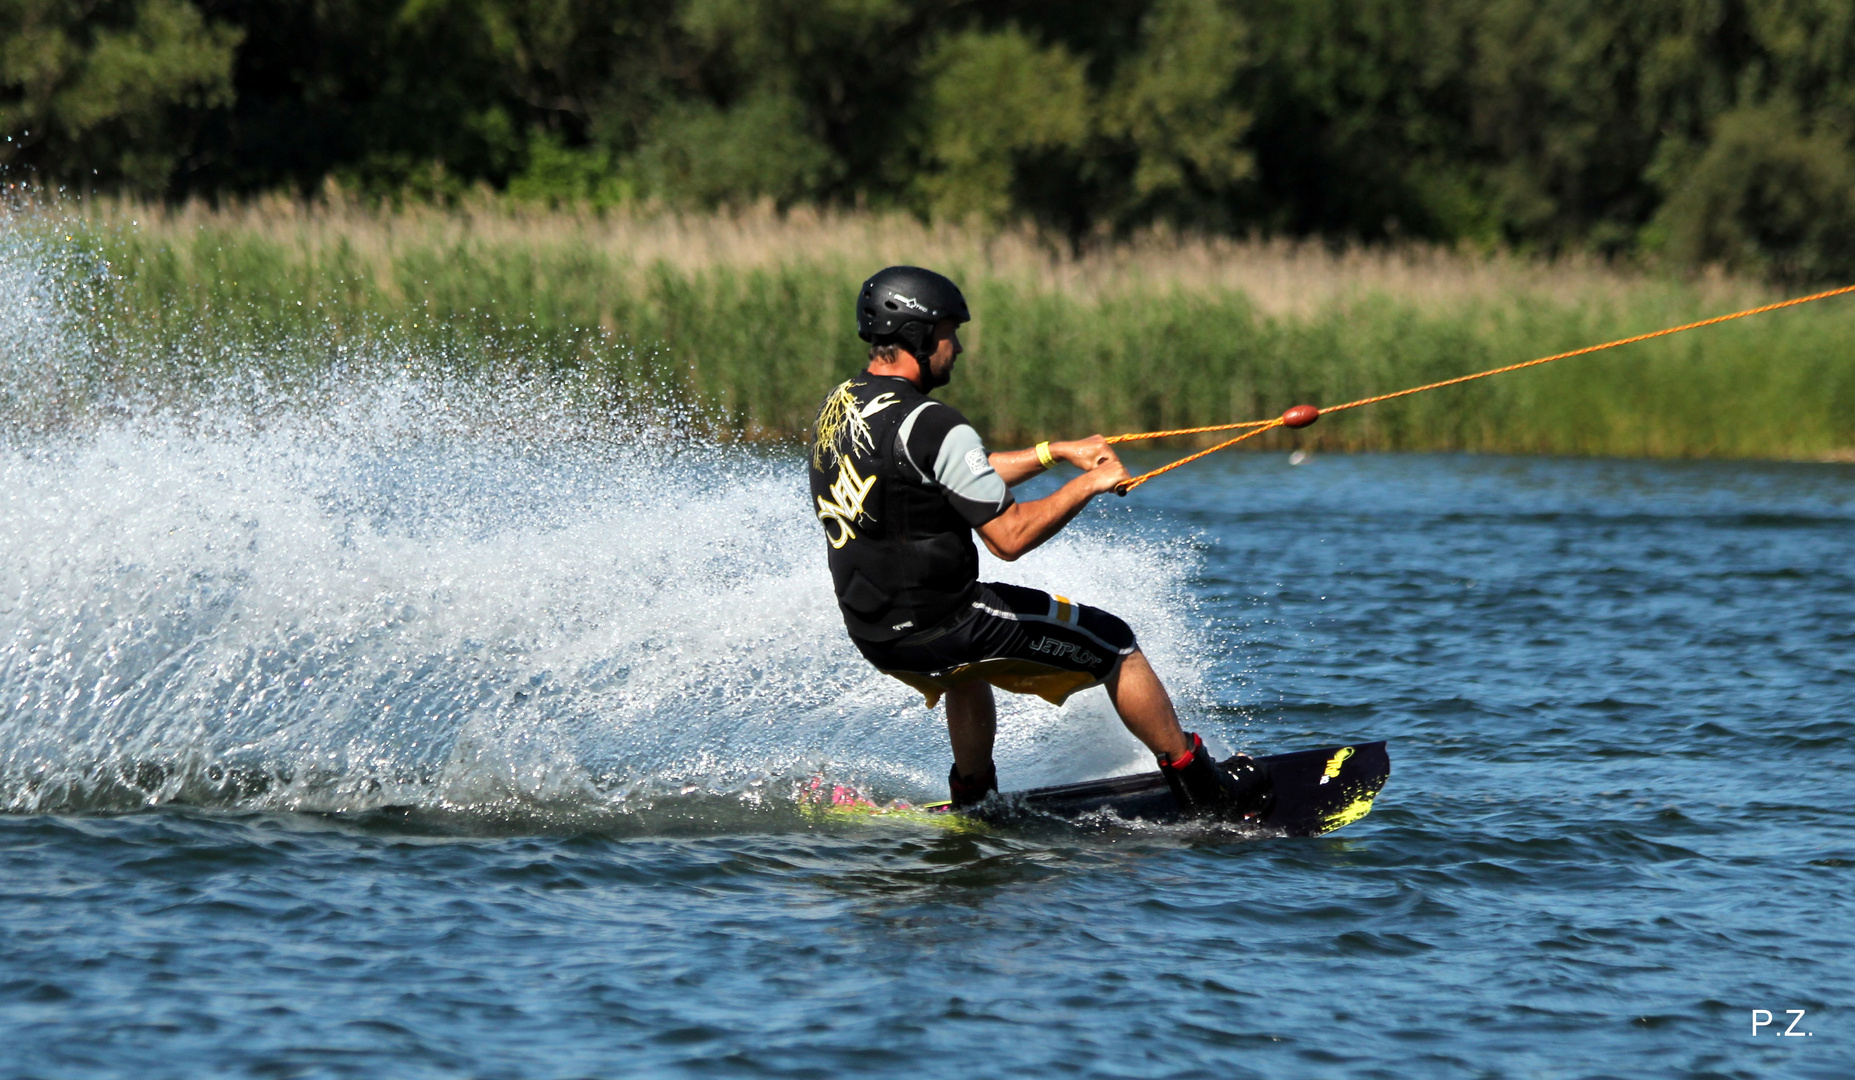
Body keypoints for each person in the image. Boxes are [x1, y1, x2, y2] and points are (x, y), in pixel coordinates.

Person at [808, 265, 1269, 818]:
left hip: (876, 632)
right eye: (951, 332)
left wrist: (1052, 453)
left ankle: (975, 800)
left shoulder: (841, 407)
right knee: (1113, 643)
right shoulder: (935, 422)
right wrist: (1090, 483)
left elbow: (955, 474)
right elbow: (1009, 536)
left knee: (968, 675)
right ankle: (1206, 792)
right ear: (919, 336)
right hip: (947, 625)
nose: (958, 348)